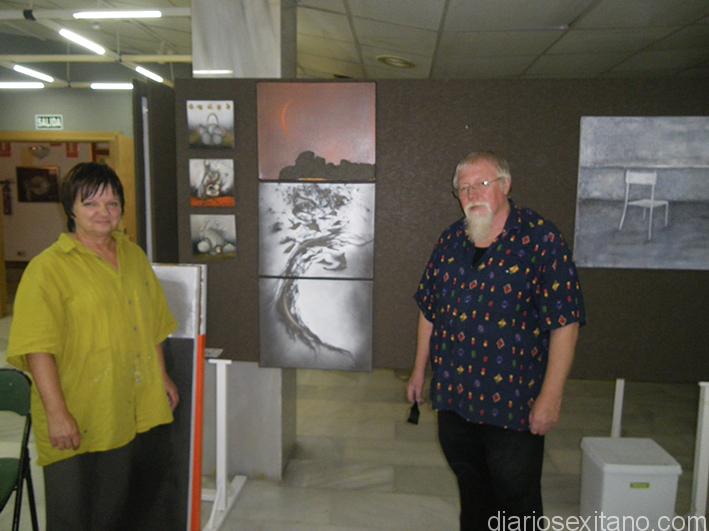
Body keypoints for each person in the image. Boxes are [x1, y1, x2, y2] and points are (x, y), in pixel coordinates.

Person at [407, 151, 585, 531]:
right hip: (455, 398)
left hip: (512, 404)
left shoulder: (541, 239)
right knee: (472, 493)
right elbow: (429, 308)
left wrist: (551, 397)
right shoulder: (451, 240)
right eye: (464, 188)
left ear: (505, 186)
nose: (472, 194)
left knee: (516, 501)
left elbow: (565, 322)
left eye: (482, 184)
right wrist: (419, 371)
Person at [7, 162, 179, 531]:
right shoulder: (48, 268)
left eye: (112, 203)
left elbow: (151, 324)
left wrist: (161, 376)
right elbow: (37, 348)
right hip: (77, 407)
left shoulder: (133, 256)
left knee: (113, 508)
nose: (104, 212)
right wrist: (57, 413)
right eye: (91, 203)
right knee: (73, 514)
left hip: (123, 403)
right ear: (70, 208)